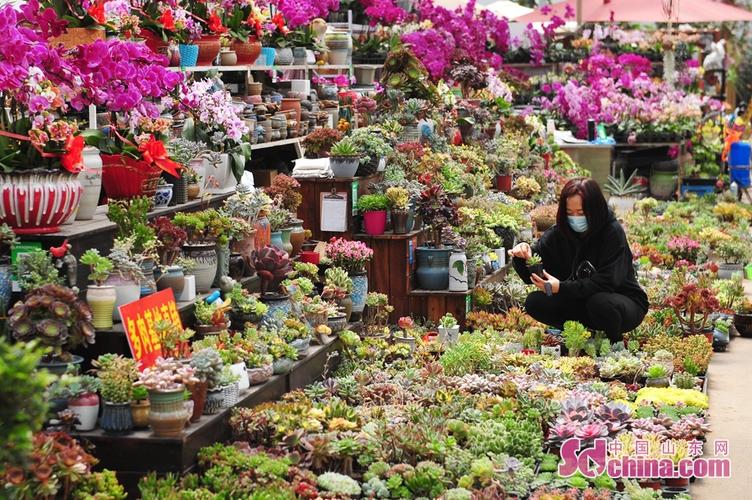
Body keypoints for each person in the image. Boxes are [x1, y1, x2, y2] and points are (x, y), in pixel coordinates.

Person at [509, 177, 648, 342]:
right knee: (535, 302)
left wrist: (561, 287)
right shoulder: (560, 232)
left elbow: (606, 282)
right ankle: (577, 336)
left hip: (621, 301)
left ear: (595, 209)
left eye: (581, 213)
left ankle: (613, 342)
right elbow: (532, 269)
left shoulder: (612, 233)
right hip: (581, 301)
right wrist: (523, 254)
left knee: (600, 303)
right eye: (569, 213)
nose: (575, 218)